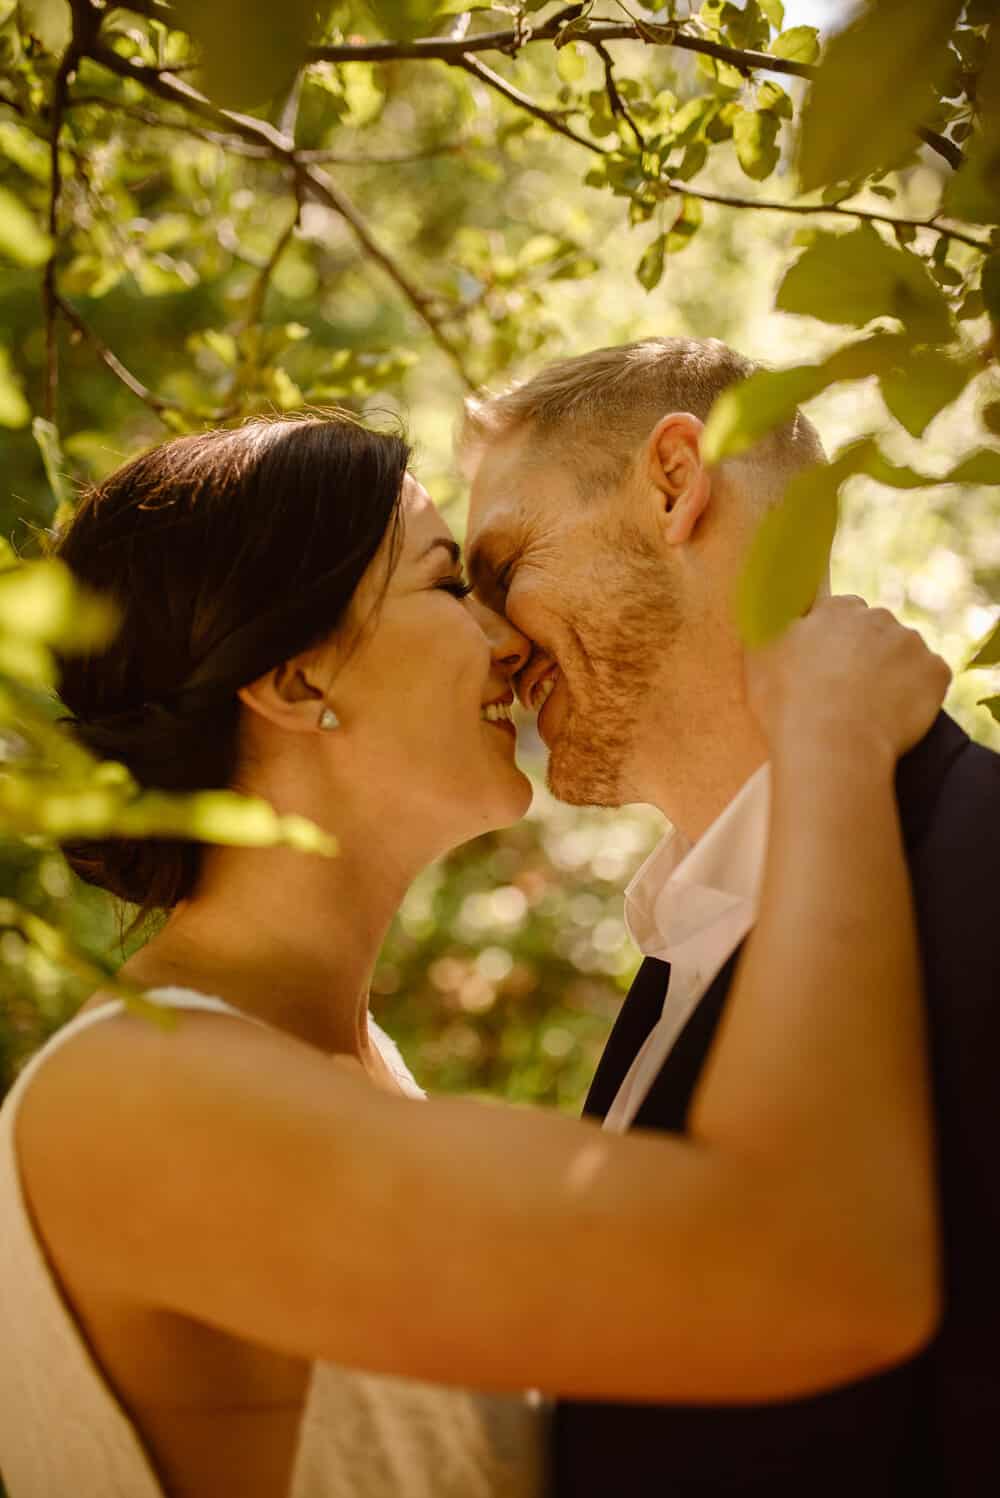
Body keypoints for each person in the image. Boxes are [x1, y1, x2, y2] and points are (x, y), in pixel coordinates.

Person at [0, 413, 945, 1498]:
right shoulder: (141, 1101)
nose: (508, 638)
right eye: (449, 586)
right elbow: (816, 1274)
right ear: (298, 682)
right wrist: (829, 740)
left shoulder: (346, 1069)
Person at [462, 336, 1000, 1498]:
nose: (491, 642)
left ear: (672, 481)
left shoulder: (981, 859)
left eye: (501, 565)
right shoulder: (674, 947)